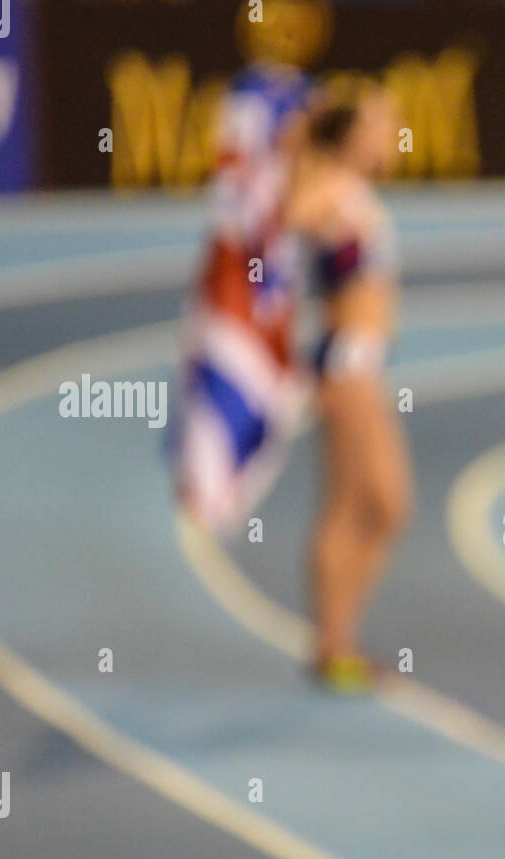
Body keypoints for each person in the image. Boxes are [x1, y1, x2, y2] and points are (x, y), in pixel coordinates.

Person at [282, 83, 413, 693]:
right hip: (344, 364)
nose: (390, 134)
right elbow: (284, 224)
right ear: (351, 134)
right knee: (370, 502)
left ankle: (337, 642)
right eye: (380, 123)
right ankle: (332, 645)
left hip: (363, 364)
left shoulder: (353, 191)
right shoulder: (330, 190)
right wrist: (297, 150)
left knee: (377, 505)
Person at [169, 43, 313, 534]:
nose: (302, 137)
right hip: (236, 310)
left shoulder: (284, 201)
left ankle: (209, 505)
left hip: (258, 305)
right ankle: (203, 505)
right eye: (295, 125)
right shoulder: (247, 223)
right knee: (215, 435)